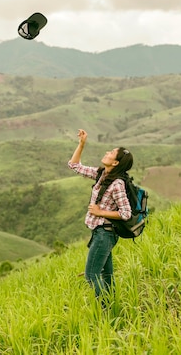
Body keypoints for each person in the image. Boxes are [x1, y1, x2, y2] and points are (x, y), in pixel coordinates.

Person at [68, 129, 134, 303]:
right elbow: (74, 166)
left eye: (111, 153)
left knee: (91, 276)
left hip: (105, 234)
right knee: (107, 276)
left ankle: (105, 309)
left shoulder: (117, 183)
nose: (107, 152)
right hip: (101, 233)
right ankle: (113, 308)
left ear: (116, 162)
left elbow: (126, 213)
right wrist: (82, 144)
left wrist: (100, 212)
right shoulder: (101, 175)